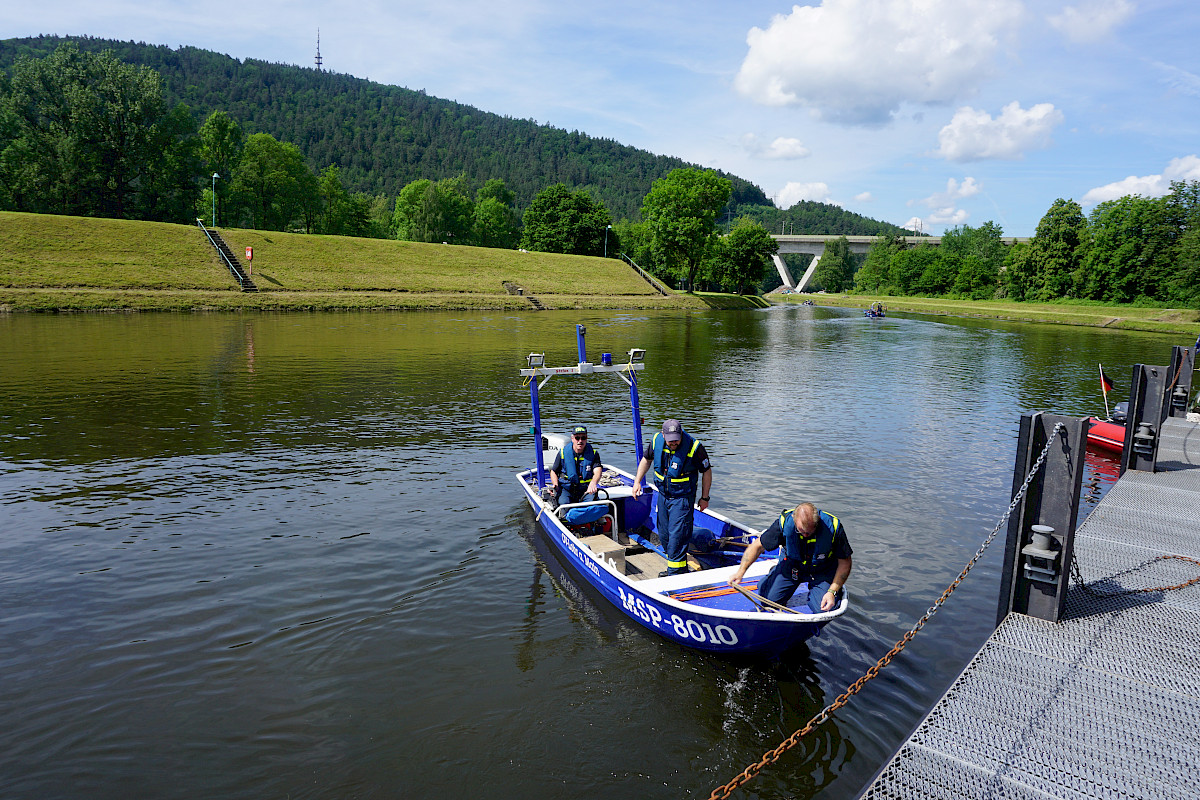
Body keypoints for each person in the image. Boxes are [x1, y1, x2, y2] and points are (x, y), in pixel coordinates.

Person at [728, 502, 852, 612]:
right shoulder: (784, 523)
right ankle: (773, 575)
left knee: (825, 609)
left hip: (822, 570)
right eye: (801, 531)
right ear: (794, 520)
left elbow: (845, 562)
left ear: (818, 521)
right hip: (793, 566)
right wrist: (740, 573)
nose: (805, 535)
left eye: (809, 532)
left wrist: (832, 591)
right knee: (768, 601)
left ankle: (827, 591)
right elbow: (757, 546)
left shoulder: (833, 528)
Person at [632, 419, 712, 576]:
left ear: (681, 434)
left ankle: (674, 575)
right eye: (670, 440)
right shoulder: (656, 441)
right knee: (664, 534)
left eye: (676, 439)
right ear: (663, 435)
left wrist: (705, 498)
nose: (673, 442)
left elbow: (707, 471)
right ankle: (680, 568)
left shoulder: (695, 447)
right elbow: (646, 460)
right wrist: (637, 482)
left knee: (678, 535)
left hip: (682, 498)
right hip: (663, 495)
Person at [549, 425, 602, 507]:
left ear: (586, 438)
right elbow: (554, 471)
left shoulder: (594, 454)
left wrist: (593, 483)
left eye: (583, 438)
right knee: (563, 505)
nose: (580, 441)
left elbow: (598, 470)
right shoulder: (563, 453)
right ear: (572, 438)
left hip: (586, 489)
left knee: (591, 505)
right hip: (567, 488)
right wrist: (555, 485)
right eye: (577, 438)